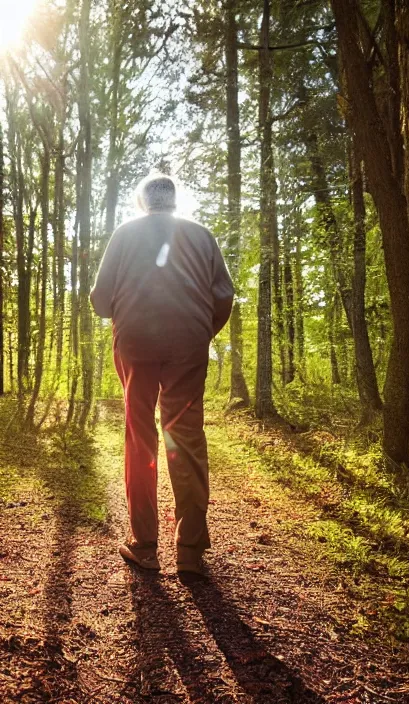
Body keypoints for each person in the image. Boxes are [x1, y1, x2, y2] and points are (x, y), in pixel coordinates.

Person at [90, 173, 234, 574]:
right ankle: (189, 552)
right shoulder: (201, 235)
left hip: (135, 342)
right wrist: (202, 331)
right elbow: (224, 296)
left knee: (140, 434)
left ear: (142, 202)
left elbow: (101, 301)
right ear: (174, 201)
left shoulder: (125, 233)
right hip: (188, 342)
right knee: (185, 436)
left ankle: (144, 545)